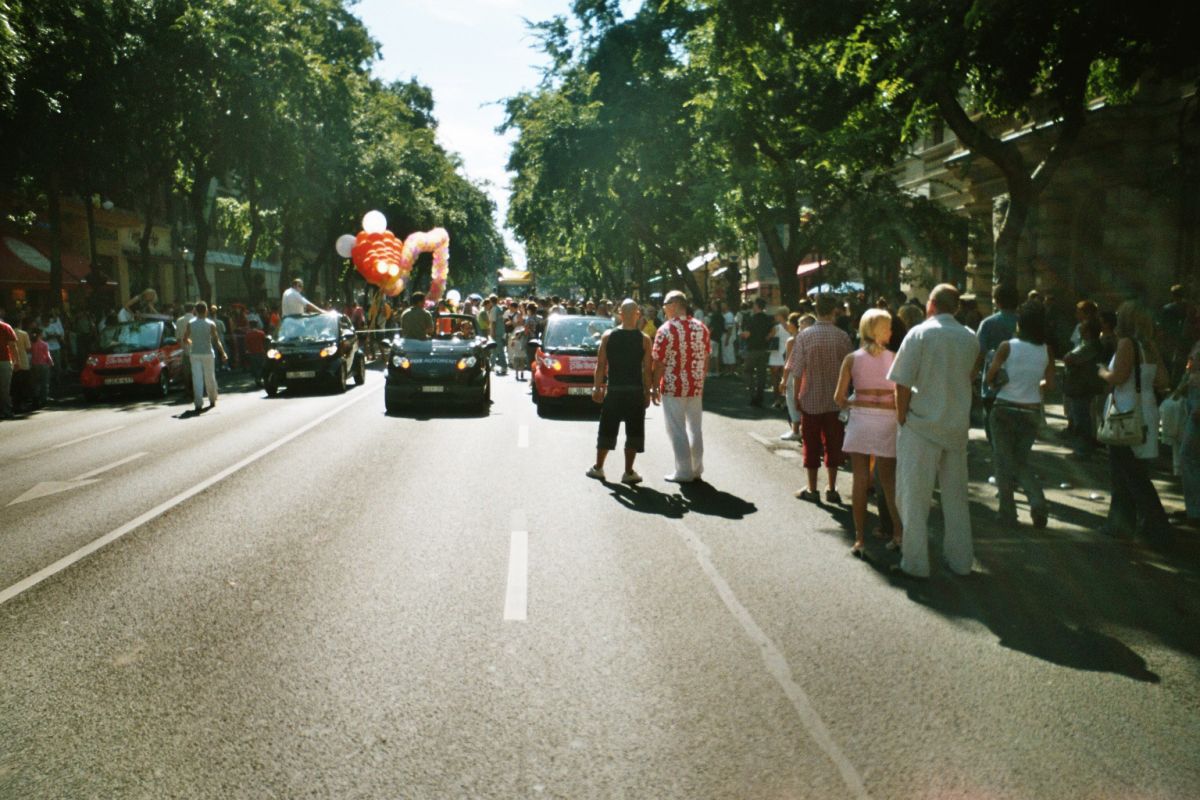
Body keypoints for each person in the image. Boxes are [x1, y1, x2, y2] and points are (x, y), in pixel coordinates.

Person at [888, 284, 981, 578]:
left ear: (931, 304)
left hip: (921, 423)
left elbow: (901, 381)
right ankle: (961, 560)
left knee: (913, 497)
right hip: (955, 424)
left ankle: (915, 563)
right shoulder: (969, 337)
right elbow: (968, 376)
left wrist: (901, 416)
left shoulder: (920, 333)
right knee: (956, 499)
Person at [1097, 300, 1172, 546]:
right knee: (1131, 470)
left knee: (1127, 472)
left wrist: (1102, 372)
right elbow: (1162, 380)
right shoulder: (1150, 346)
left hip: (1125, 413)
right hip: (1146, 411)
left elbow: (1118, 377)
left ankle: (1153, 525)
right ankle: (1126, 523)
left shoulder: (1126, 344)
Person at [834, 308, 902, 557]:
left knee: (860, 481)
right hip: (887, 421)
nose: (892, 331)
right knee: (889, 482)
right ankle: (898, 534)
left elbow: (838, 397)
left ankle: (860, 538)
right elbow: (901, 393)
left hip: (861, 421)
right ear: (882, 331)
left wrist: (854, 402)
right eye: (889, 327)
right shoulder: (896, 357)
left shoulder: (852, 359)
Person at [985, 301, 1056, 528]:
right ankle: (1037, 500)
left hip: (1004, 407)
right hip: (1031, 410)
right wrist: (1033, 384)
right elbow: (1050, 383)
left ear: (1020, 323)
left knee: (1003, 462)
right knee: (1020, 461)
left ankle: (1008, 511)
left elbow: (990, 377)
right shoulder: (1046, 350)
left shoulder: (1008, 346)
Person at [784, 293, 853, 503]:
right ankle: (832, 487)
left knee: (811, 443)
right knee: (833, 443)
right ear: (834, 311)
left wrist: (796, 396)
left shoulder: (805, 336)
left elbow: (797, 371)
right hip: (835, 399)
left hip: (810, 397)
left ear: (815, 310)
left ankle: (812, 488)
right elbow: (850, 369)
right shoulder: (842, 336)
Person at [587, 299, 653, 484]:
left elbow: (600, 366)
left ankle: (598, 468)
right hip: (635, 392)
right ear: (638, 314)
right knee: (634, 432)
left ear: (620, 315)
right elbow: (647, 371)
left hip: (614, 391)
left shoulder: (608, 336)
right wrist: (648, 393)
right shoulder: (644, 340)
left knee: (607, 429)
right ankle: (628, 472)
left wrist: (596, 388)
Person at [651, 290, 711, 483]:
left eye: (665, 304)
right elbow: (707, 357)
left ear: (675, 305)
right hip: (695, 386)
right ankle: (696, 468)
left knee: (676, 429)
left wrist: (653, 386)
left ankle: (683, 471)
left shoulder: (665, 330)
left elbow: (658, 363)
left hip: (673, 386)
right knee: (695, 428)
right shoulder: (701, 328)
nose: (664, 308)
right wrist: (701, 379)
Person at [976, 284, 1020, 441]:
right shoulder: (1023, 323)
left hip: (993, 384)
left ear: (996, 301)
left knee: (994, 432)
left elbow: (979, 352)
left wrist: (973, 375)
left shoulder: (988, 323)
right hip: (1020, 386)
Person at [1061, 317, 1105, 455]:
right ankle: (1082, 448)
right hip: (1082, 385)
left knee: (1082, 419)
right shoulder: (1088, 344)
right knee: (1081, 416)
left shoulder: (1090, 346)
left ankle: (1083, 450)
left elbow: (1070, 358)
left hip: (1083, 386)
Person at [1171, 339, 1200, 528]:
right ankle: (1193, 507)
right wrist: (1180, 390)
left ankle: (1195, 511)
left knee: (1187, 456)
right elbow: (1191, 369)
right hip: (1192, 395)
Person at [181, 301, 228, 412]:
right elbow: (217, 341)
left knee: (197, 378)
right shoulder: (211, 324)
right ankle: (212, 398)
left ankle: (198, 403)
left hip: (195, 353)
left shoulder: (190, 323)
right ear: (206, 310)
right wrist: (223, 353)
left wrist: (192, 342)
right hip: (208, 352)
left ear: (195, 311)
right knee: (210, 376)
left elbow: (185, 339)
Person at [741, 297, 773, 406]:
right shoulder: (768, 319)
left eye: (754, 305)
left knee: (748, 371)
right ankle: (760, 395)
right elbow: (770, 334)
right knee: (761, 373)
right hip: (763, 348)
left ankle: (752, 394)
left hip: (752, 348)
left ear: (757, 306)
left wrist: (742, 335)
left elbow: (747, 334)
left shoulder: (751, 319)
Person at [779, 312, 805, 441]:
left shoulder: (792, 340)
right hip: (804, 373)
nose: (786, 324)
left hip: (792, 374)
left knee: (791, 399)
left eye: (788, 321)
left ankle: (795, 430)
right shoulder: (803, 337)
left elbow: (788, 362)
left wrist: (783, 379)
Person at [767, 306, 790, 408]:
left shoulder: (776, 327)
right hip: (786, 353)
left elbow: (768, 338)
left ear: (780, 316)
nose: (775, 316)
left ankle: (777, 400)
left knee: (775, 379)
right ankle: (785, 400)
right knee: (785, 378)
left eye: (777, 315)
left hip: (776, 354)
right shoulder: (790, 326)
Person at [29, 328, 52, 408]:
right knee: (44, 383)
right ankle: (44, 399)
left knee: (35, 383)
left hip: (34, 364)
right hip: (43, 364)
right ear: (40, 334)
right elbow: (47, 354)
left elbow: (29, 352)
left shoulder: (32, 343)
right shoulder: (44, 344)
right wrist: (50, 362)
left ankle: (35, 399)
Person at [0, 309, 15, 419]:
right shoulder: (6, 327)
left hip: (5, 360)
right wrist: (16, 361)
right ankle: (6, 410)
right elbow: (13, 345)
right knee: (5, 388)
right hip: (5, 360)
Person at [244, 320, 267, 387]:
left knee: (254, 367)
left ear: (250, 326)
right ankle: (259, 379)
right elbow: (265, 342)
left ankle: (257, 379)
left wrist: (247, 351)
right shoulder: (261, 333)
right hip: (261, 352)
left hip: (252, 353)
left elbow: (246, 344)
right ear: (256, 325)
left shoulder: (248, 334)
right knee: (261, 366)